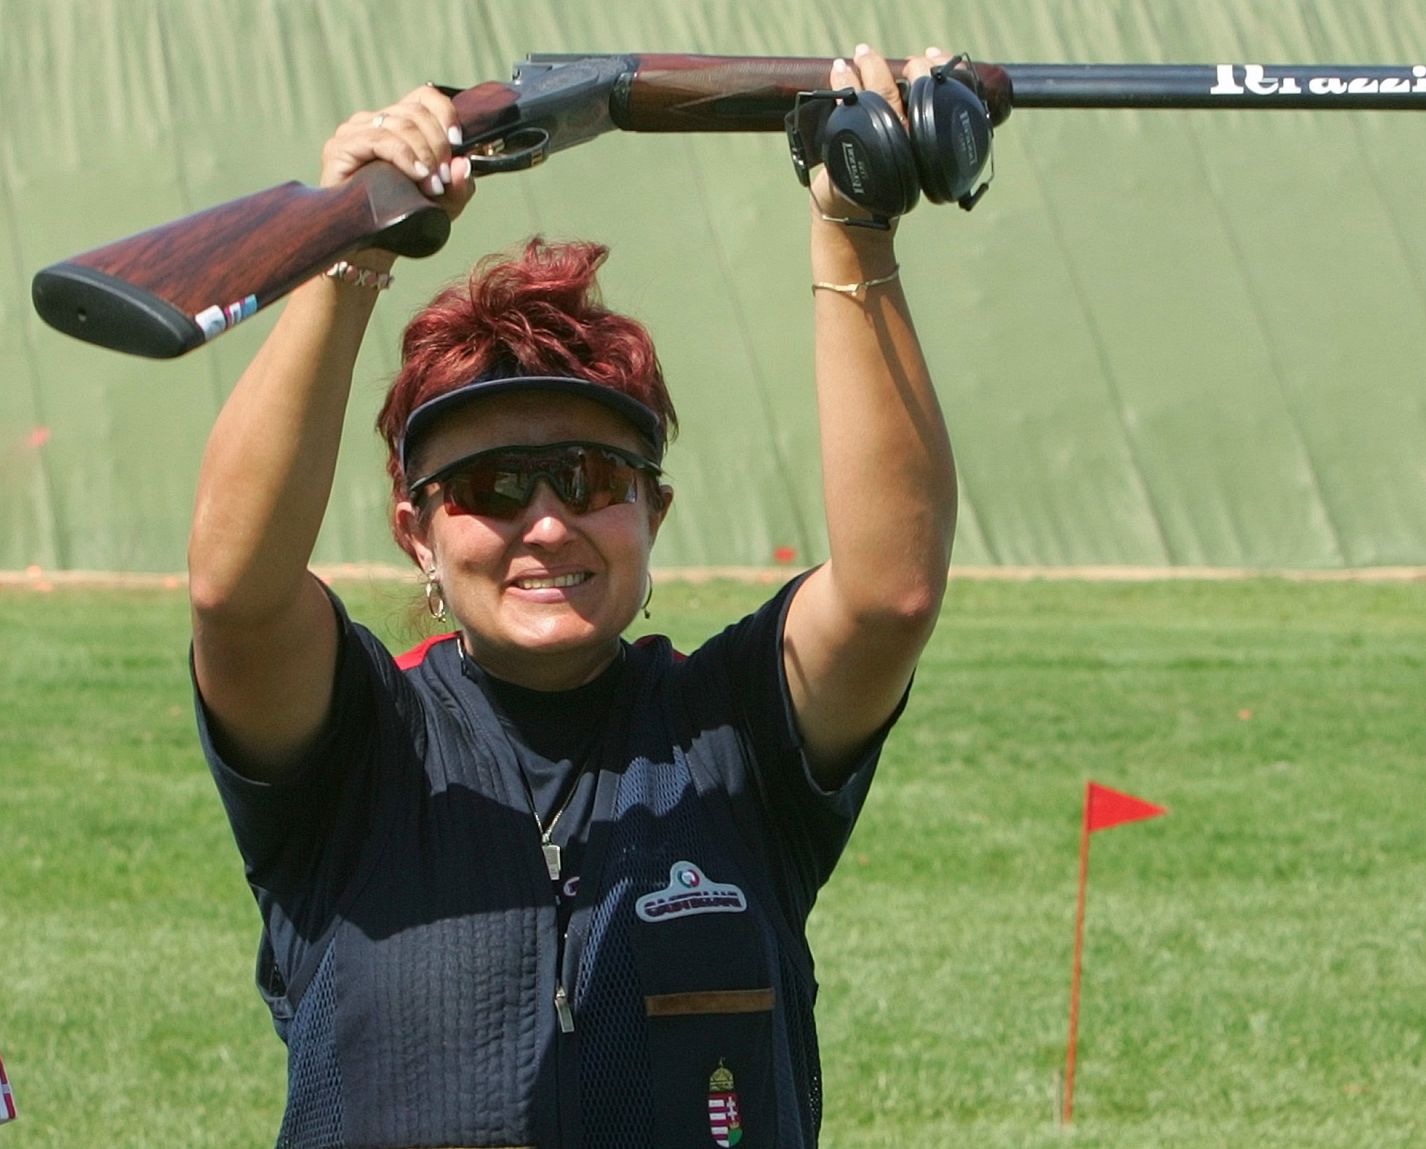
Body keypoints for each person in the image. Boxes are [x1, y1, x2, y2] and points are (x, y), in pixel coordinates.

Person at [188, 43, 958, 1149]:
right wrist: (346, 251)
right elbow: (237, 593)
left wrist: (855, 226)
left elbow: (888, 593)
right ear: (417, 532)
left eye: (591, 480)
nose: (546, 524)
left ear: (654, 513)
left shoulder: (734, 728)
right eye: (492, 488)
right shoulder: (356, 741)